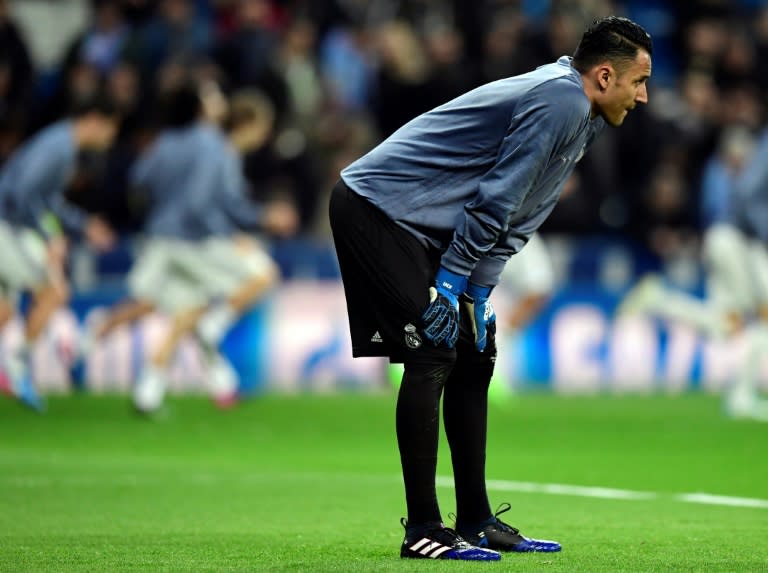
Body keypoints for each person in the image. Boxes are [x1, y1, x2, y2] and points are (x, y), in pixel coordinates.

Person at [329, 15, 652, 561]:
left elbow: (525, 211)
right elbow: (498, 198)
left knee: (475, 353)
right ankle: (424, 529)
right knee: (432, 352)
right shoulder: (561, 101)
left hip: (421, 221)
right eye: (639, 81)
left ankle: (476, 520)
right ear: (603, 77)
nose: (643, 96)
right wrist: (452, 282)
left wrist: (477, 292)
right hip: (378, 208)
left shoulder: (584, 113)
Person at [86, 81, 295, 413]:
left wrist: (160, 212)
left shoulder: (170, 139)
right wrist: (232, 233)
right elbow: (205, 203)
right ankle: (215, 334)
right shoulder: (212, 145)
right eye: (212, 96)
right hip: (191, 239)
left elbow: (141, 180)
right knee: (263, 274)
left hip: (159, 235)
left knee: (176, 308)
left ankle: (149, 389)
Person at [619, 125, 768, 421]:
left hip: (730, 238)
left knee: (728, 324)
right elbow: (749, 197)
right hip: (739, 241)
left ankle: (659, 301)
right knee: (760, 317)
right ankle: (741, 396)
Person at [0, 97, 118, 411]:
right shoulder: (59, 147)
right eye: (110, 128)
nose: (111, 137)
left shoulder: (59, 143)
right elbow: (23, 194)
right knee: (55, 291)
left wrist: (82, 225)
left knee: (4, 312)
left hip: (10, 224)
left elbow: (45, 199)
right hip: (7, 227)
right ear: (95, 119)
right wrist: (49, 235)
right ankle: (16, 368)